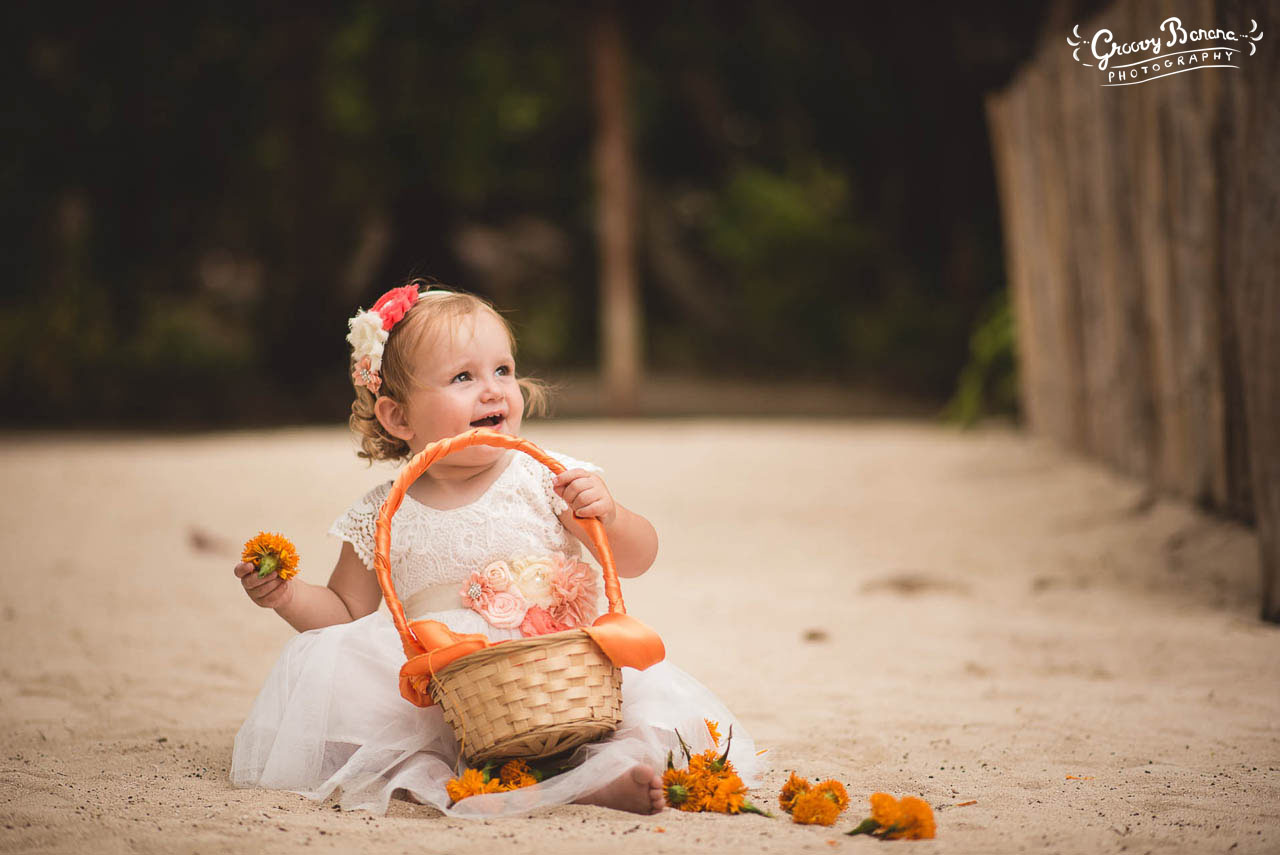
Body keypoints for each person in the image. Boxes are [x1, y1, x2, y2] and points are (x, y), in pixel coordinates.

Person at [230, 280, 759, 817]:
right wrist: (286, 595)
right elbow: (345, 613)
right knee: (371, 715)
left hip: (558, 676)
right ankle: (544, 782)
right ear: (398, 417)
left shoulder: (545, 477)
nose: (493, 390)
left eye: (502, 370)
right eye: (463, 376)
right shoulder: (383, 511)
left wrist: (611, 516)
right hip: (447, 694)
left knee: (630, 720)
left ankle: (596, 775)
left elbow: (636, 559)